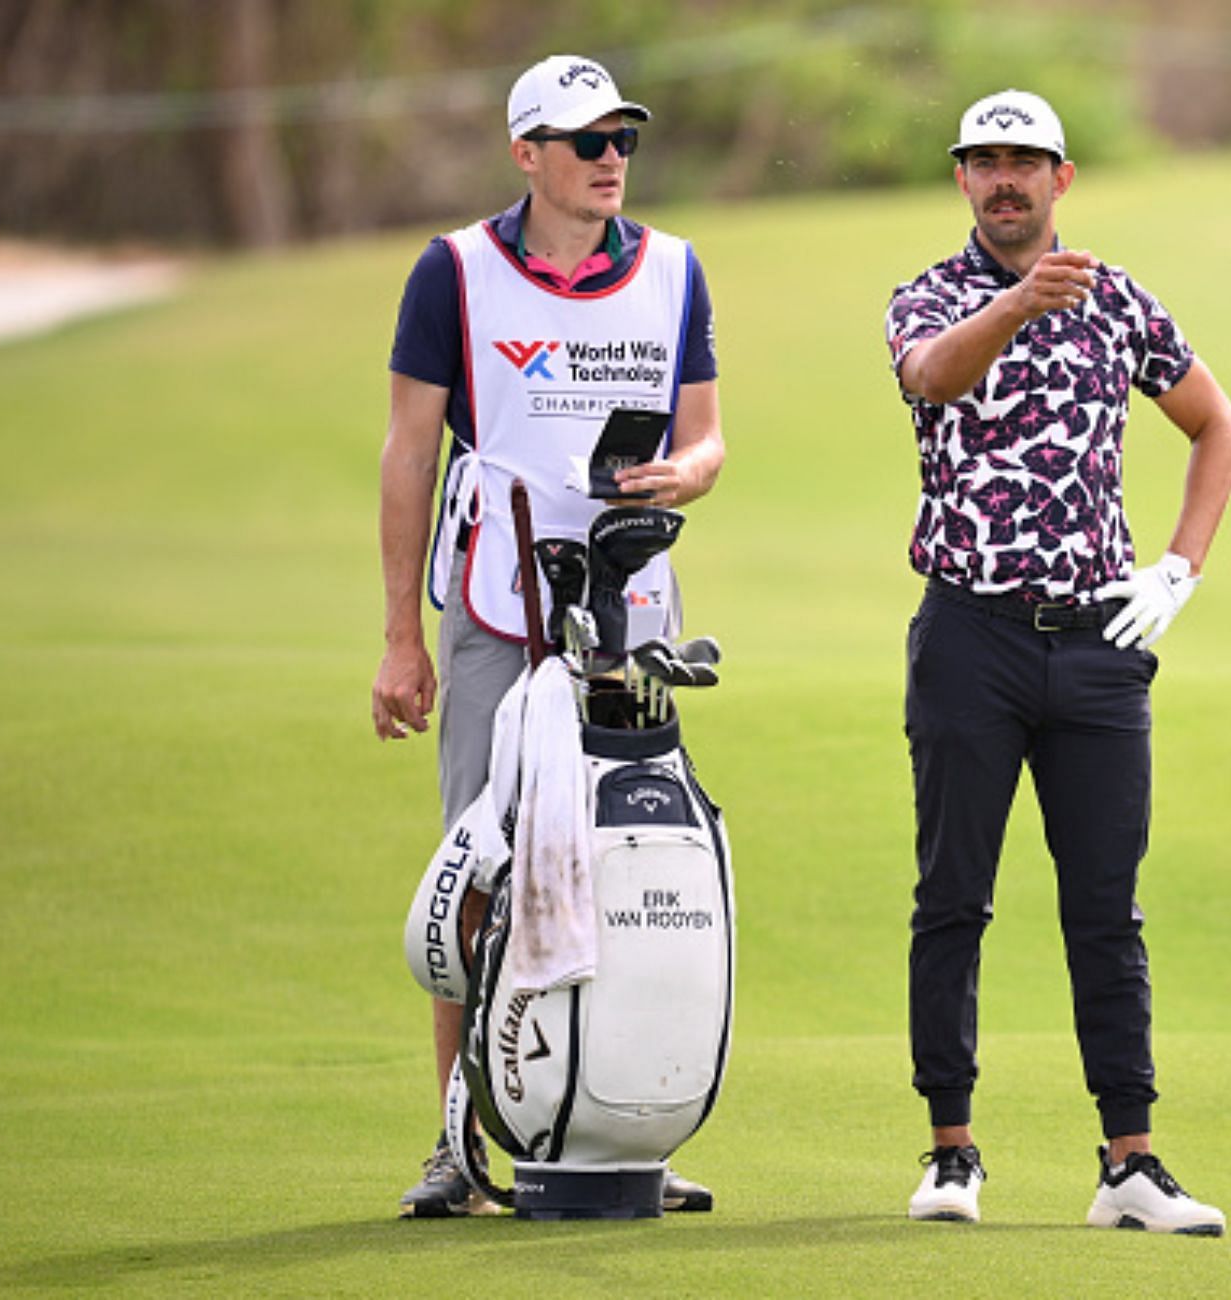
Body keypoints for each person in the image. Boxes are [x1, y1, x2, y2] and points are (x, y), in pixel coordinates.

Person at [371, 54, 725, 1218]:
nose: (611, 155)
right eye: (585, 140)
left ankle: (619, 1129)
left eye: (621, 135)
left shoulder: (673, 269)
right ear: (527, 152)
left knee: (627, 864)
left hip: (627, 611)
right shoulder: (456, 273)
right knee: (479, 869)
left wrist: (690, 472)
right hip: (492, 604)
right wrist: (398, 639)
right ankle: (455, 1145)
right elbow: (409, 455)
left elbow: (708, 436)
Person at [884, 89, 1231, 1234]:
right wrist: (1018, 308)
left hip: (1096, 645)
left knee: (1106, 908)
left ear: (1061, 178)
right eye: (984, 161)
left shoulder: (1115, 299)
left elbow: (1218, 425)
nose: (1005, 179)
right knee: (953, 898)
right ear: (962, 180)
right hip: (968, 638)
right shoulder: (930, 297)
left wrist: (1177, 572)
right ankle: (951, 1153)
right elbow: (932, 375)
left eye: (1023, 161)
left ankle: (1130, 1165)